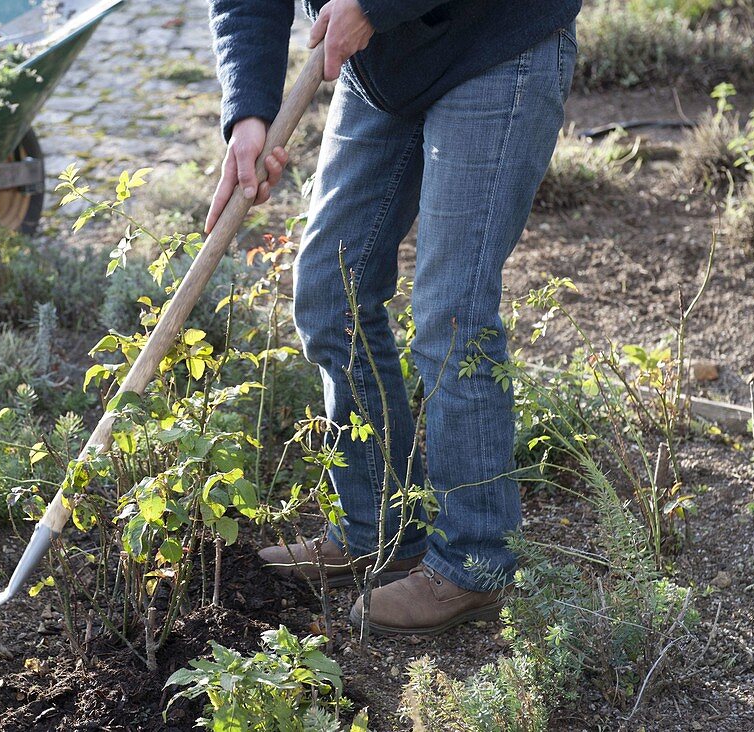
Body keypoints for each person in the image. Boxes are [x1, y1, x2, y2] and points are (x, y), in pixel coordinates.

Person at [206, 0, 582, 635]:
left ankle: (473, 563)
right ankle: (377, 525)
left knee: (450, 313)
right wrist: (248, 112)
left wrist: (377, 5)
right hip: (384, 68)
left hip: (491, 43)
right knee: (331, 292)